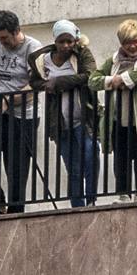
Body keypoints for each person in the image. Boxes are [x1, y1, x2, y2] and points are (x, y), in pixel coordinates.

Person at [0, 10, 44, 214]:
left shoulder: (33, 48)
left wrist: (7, 102)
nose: (2, 41)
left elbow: (34, 87)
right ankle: (0, 203)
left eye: (4, 37)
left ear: (16, 31)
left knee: (16, 170)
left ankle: (15, 214)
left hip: (23, 118)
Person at [26, 20, 99, 207]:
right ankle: (77, 204)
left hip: (84, 118)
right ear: (55, 41)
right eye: (61, 41)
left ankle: (91, 200)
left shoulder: (82, 54)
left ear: (75, 40)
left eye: (70, 41)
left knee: (91, 155)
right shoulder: (42, 60)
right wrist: (45, 85)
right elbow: (34, 81)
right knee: (72, 167)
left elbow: (90, 75)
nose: (66, 46)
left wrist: (58, 83)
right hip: (59, 122)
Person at [90, 20, 137, 201]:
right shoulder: (114, 60)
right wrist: (110, 81)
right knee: (121, 159)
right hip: (119, 119)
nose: (132, 46)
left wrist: (120, 79)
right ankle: (123, 194)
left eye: (135, 41)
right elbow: (93, 80)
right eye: (126, 42)